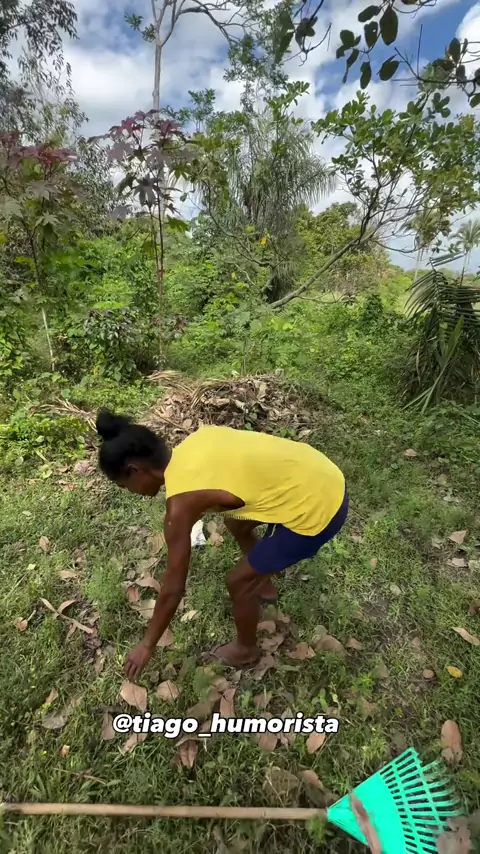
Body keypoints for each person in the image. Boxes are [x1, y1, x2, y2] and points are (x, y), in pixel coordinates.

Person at [96, 410, 348, 681]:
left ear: (134, 470)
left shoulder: (180, 505)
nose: (129, 491)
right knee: (236, 523)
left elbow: (173, 588)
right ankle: (263, 581)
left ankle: (246, 650)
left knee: (238, 582)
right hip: (320, 471)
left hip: (321, 507)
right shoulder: (197, 441)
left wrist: (147, 645)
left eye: (124, 485)